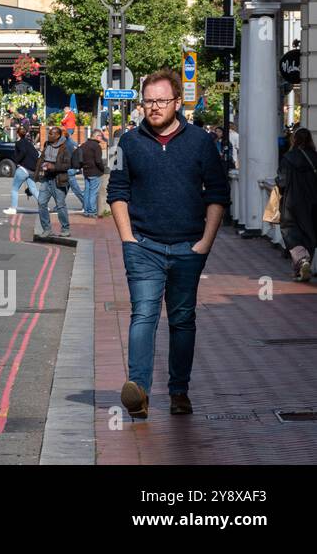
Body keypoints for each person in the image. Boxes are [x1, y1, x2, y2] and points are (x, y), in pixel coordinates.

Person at [108, 68, 229, 419]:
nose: (154, 107)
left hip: (188, 247)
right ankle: (139, 391)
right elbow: (117, 193)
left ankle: (179, 391)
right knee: (143, 315)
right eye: (148, 101)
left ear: (178, 102)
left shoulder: (201, 143)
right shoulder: (126, 143)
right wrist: (128, 240)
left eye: (161, 101)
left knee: (181, 320)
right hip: (143, 246)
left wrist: (204, 243)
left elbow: (218, 195)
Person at [277, 127, 317, 283]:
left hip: (292, 201)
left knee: (290, 232)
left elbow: (282, 181)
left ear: (295, 139)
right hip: (313, 201)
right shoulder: (315, 157)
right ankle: (302, 268)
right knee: (310, 232)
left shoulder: (288, 158)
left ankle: (302, 261)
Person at [34, 126, 72, 239]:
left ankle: (65, 229)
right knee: (41, 203)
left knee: (60, 205)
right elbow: (42, 159)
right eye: (49, 133)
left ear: (58, 136)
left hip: (58, 179)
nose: (49, 135)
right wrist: (39, 169)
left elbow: (68, 165)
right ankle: (47, 229)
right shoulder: (47, 145)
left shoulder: (65, 147)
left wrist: (53, 166)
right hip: (46, 179)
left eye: (51, 134)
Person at [4, 124, 39, 216]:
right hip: (31, 170)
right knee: (34, 189)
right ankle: (43, 206)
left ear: (18, 134)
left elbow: (22, 152)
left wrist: (16, 160)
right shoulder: (29, 143)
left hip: (23, 169)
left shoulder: (19, 143)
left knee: (14, 189)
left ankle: (13, 208)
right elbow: (36, 154)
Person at [76, 131, 105, 218]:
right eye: (100, 136)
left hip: (86, 171)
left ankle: (86, 211)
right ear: (96, 136)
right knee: (93, 193)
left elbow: (80, 158)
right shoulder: (96, 146)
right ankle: (92, 211)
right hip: (95, 171)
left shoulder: (84, 145)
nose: (101, 138)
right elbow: (98, 160)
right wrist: (103, 169)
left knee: (87, 192)